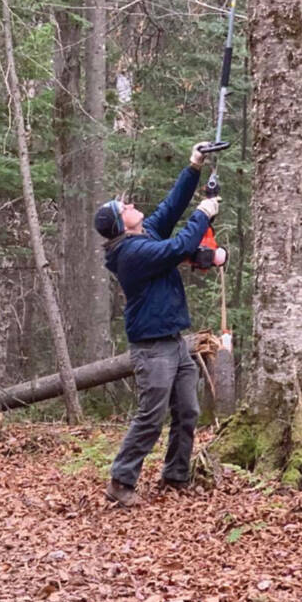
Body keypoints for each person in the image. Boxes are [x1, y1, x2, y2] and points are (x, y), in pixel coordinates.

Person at [94, 142, 220, 507]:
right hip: (152, 348)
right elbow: (179, 247)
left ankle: (175, 476)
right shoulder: (130, 254)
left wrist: (193, 167)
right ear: (121, 223)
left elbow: (170, 207)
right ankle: (120, 482)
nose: (132, 206)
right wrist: (204, 213)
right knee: (151, 416)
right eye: (125, 208)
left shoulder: (143, 233)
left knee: (188, 411)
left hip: (175, 341)